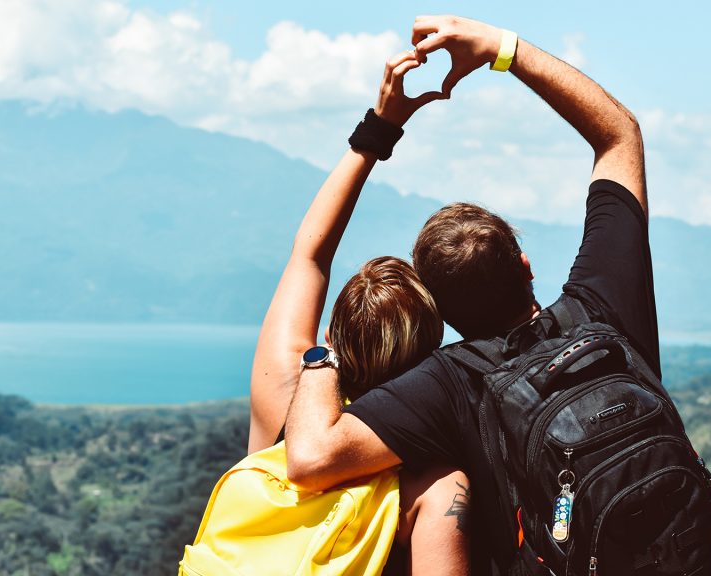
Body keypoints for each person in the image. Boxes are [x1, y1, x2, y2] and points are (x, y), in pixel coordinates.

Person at [283, 14, 657, 573]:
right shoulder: (604, 306)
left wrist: (325, 353)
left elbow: (310, 456)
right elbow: (619, 133)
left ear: (442, 312)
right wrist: (501, 48)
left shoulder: (451, 384)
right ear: (525, 265)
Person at [247, 49, 470, 574]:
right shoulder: (432, 481)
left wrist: (381, 127)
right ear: (430, 352)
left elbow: (310, 252)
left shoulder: (283, 394)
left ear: (332, 334)